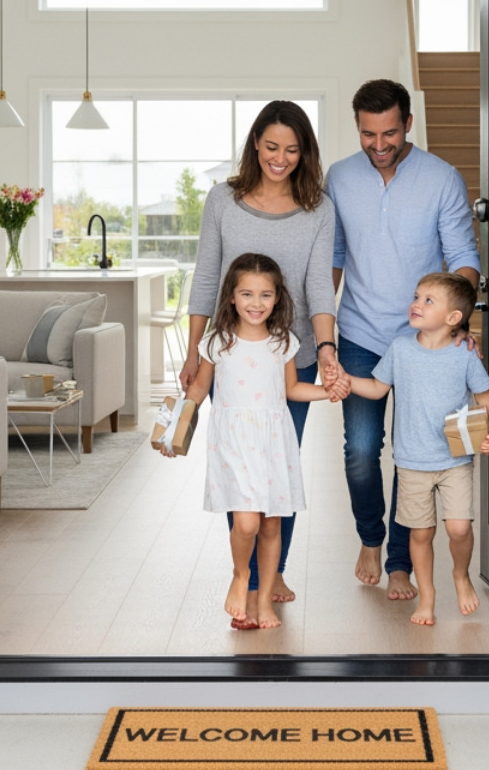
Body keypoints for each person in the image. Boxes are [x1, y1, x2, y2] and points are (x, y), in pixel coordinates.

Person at [182, 100, 339, 626]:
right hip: (231, 357)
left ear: (305, 152)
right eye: (272, 146)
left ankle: (271, 577)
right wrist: (194, 349)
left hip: (291, 356)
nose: (280, 158)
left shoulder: (318, 208)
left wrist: (326, 349)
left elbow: (319, 285)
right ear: (255, 143)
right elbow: (207, 276)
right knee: (241, 471)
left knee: (278, 469)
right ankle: (248, 580)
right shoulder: (222, 200)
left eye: (292, 150)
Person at [325, 79, 480, 601]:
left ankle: (398, 564)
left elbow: (463, 259)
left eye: (389, 132)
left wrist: (457, 323)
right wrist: (320, 332)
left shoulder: (442, 178)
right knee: (361, 450)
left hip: (423, 342)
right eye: (368, 134)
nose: (379, 144)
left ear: (408, 123)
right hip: (360, 332)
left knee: (415, 455)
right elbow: (334, 257)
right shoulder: (339, 177)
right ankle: (370, 538)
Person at [172, 253, 341, 629]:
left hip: (273, 444)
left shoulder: (284, 342)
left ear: (277, 298)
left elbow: (292, 390)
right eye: (247, 294)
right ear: (231, 297)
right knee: (246, 523)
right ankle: (240, 576)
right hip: (233, 443)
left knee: (271, 526)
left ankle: (264, 601)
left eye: (265, 295)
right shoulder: (217, 342)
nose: (256, 303)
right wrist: (173, 428)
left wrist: (327, 392)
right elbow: (198, 389)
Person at [341, 273, 489, 626]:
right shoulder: (400, 348)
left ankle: (461, 576)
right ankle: (427, 596)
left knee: (459, 528)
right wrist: (344, 379)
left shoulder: (463, 354)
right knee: (421, 533)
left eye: (429, 300)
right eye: (417, 296)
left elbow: (486, 396)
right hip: (412, 462)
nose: (416, 304)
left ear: (453, 318)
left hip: (455, 459)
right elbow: (377, 388)